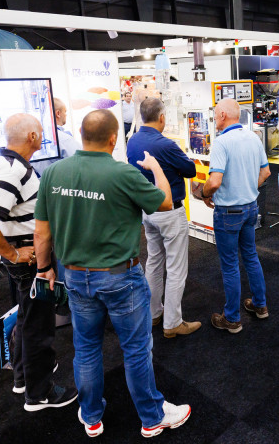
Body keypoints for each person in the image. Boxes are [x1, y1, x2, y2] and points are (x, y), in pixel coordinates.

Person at [33, 110, 191, 439]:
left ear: (80, 134)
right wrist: (156, 167)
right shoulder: (123, 173)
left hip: (75, 277)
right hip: (121, 278)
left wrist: (44, 268)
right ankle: (152, 418)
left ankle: (91, 417)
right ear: (113, 139)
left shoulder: (53, 173)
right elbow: (165, 202)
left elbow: (42, 231)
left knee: (86, 348)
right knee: (136, 349)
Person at [0, 114, 77, 411]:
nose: (43, 136)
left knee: (27, 318)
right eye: (41, 132)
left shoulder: (6, 163)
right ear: (32, 136)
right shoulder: (13, 169)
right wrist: (13, 252)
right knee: (38, 327)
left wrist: (11, 223)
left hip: (27, 258)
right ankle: (40, 394)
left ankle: (22, 378)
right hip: (29, 261)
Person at [125, 97, 201, 339]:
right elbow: (190, 170)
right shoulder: (166, 144)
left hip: (147, 211)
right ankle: (173, 323)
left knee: (154, 261)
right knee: (176, 268)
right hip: (170, 212)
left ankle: (154, 314)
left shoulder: (132, 140)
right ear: (161, 117)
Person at [198, 98, 271, 334]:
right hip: (250, 208)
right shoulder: (253, 137)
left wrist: (204, 194)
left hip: (228, 213)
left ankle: (231, 319)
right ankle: (260, 305)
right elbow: (266, 172)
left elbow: (214, 181)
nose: (214, 119)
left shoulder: (221, 142)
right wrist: (248, 188)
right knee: (250, 256)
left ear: (222, 116)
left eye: (215, 115)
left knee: (230, 265)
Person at [32, 97, 82, 177]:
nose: (66, 115)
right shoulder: (64, 139)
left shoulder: (34, 139)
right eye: (65, 111)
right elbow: (81, 164)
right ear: (58, 113)